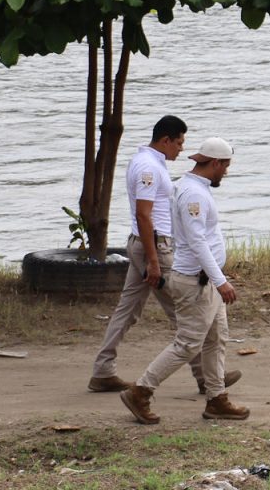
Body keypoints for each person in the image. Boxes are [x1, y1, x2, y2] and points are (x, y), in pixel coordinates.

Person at [87, 116, 240, 396]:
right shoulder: (149, 167)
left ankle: (103, 370)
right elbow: (144, 215)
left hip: (142, 245)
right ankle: (205, 378)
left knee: (128, 310)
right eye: (179, 142)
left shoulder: (147, 162)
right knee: (186, 314)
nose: (181, 149)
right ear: (165, 140)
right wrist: (154, 261)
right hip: (153, 246)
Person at [120, 137, 250, 424]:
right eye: (225, 166)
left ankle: (216, 399)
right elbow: (197, 240)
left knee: (216, 339)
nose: (226, 172)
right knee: (187, 344)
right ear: (214, 163)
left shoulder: (190, 187)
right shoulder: (194, 195)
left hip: (205, 282)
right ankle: (140, 391)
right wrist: (221, 281)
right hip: (197, 282)